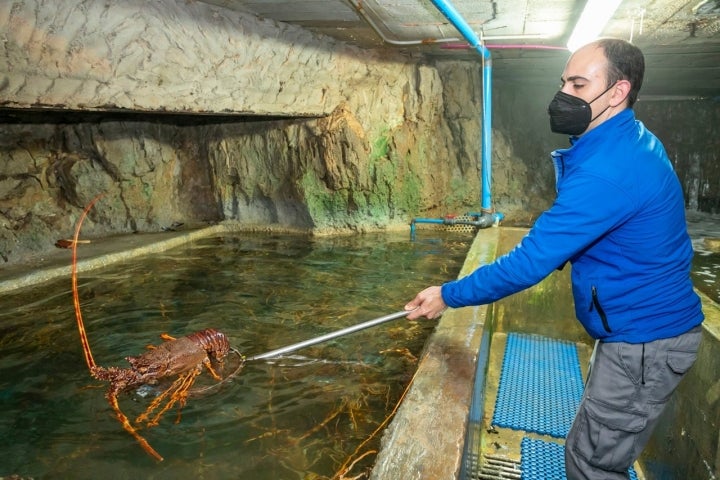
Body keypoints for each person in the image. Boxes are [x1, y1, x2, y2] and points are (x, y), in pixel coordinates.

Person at [404, 38, 704, 480]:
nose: (563, 94)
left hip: (644, 340)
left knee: (590, 463)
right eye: (564, 80)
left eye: (579, 84)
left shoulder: (610, 169)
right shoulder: (626, 140)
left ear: (617, 92)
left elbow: (530, 262)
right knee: (593, 449)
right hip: (639, 328)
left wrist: (447, 294)